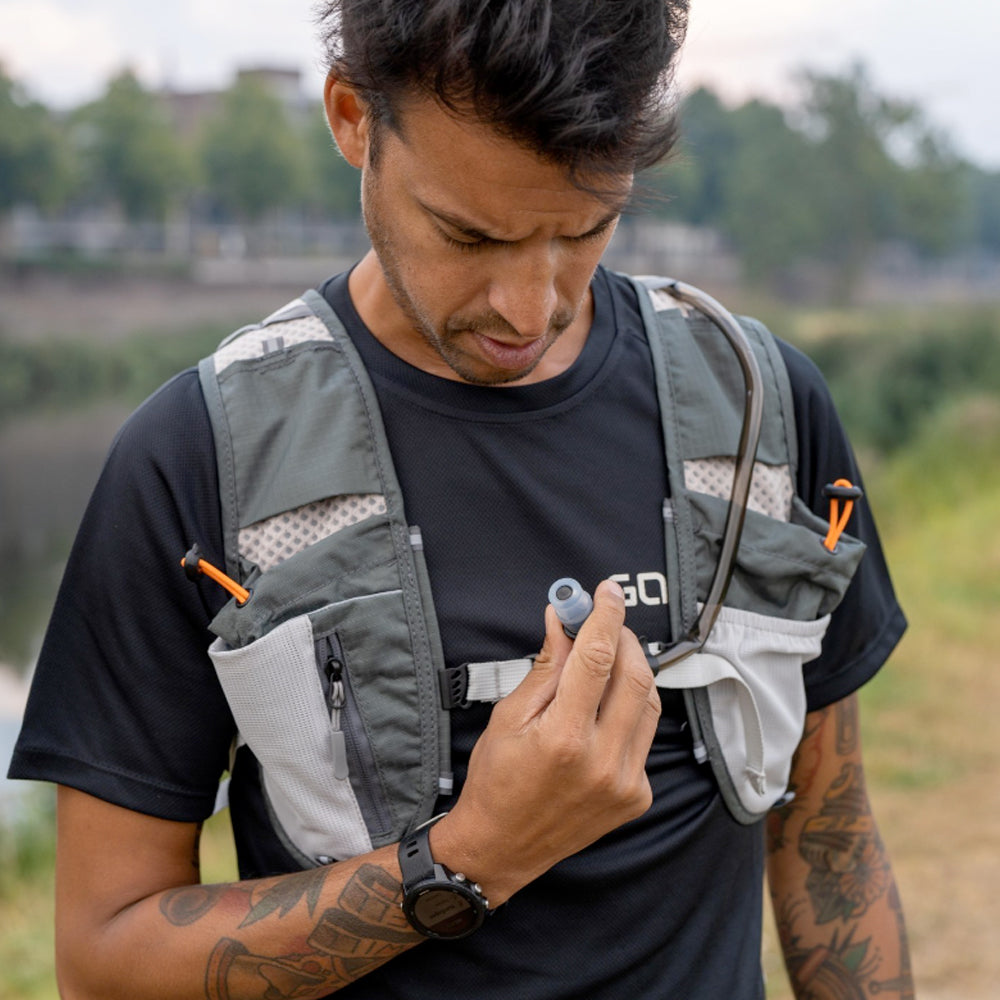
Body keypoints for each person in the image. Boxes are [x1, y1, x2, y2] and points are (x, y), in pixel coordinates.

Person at [8, 1, 914, 997]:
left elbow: (828, 838)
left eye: (585, 229)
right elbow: (104, 958)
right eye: (469, 235)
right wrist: (471, 854)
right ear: (353, 117)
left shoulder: (758, 410)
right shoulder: (195, 458)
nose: (530, 309)